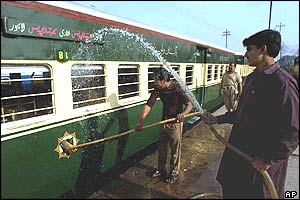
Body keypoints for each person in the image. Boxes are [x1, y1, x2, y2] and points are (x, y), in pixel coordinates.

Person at [202, 29, 299, 199]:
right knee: (231, 189)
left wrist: (269, 160)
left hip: (259, 163)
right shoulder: (253, 78)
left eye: (249, 49)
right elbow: (241, 112)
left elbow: (293, 131)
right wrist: (217, 119)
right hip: (237, 154)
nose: (246, 54)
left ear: (263, 49)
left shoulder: (283, 84)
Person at [135, 67, 192, 184]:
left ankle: (174, 171)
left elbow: (189, 105)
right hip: (164, 122)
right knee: (162, 148)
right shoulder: (158, 88)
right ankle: (161, 169)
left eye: (156, 80)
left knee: (175, 150)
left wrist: (183, 114)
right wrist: (141, 121)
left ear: (163, 79)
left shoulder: (177, 88)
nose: (154, 82)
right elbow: (149, 104)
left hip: (175, 124)